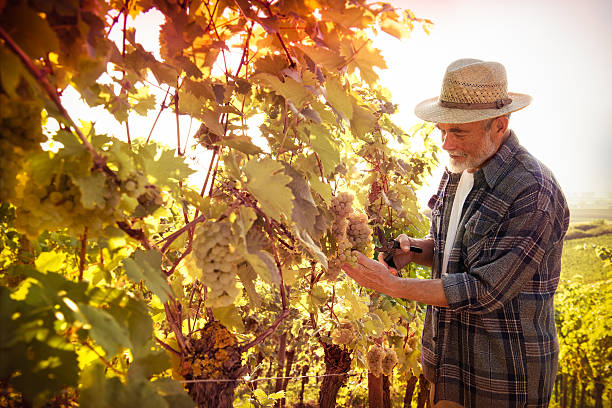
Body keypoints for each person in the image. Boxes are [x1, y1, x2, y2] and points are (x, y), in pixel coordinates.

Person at [342, 59, 569, 408]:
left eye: (458, 132)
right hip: (447, 366)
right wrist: (415, 250)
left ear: (499, 125)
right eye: (442, 130)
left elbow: (485, 288)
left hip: (501, 379)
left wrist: (393, 286)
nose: (446, 143)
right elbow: (452, 248)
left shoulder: (533, 190)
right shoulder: (460, 168)